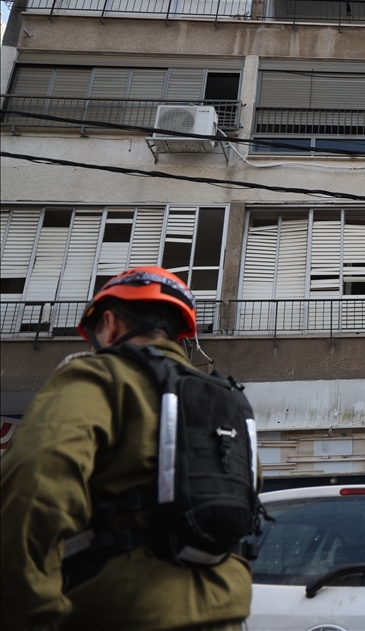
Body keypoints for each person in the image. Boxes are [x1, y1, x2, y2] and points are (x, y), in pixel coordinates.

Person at [0, 267, 258, 631]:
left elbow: (32, 486)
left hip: (119, 611)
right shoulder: (227, 398)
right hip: (224, 613)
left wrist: (27, 615)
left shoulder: (99, 376)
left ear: (110, 324)